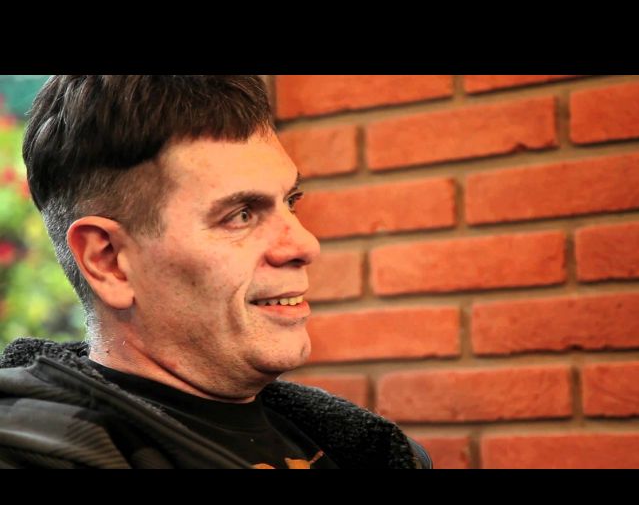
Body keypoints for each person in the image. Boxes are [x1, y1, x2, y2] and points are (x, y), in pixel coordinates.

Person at [0, 75, 432, 469]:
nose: (304, 245)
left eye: (291, 202)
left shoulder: (370, 450)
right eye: (241, 215)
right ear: (108, 260)